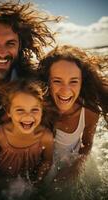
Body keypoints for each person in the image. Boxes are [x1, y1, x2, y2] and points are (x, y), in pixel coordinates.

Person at [0, 0, 58, 155]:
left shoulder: (33, 80)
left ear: (19, 46)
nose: (2, 51)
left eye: (10, 43)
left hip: (14, 132)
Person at [39, 44, 108, 181]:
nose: (65, 91)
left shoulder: (89, 111)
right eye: (57, 81)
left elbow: (87, 144)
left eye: (73, 81)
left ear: (82, 83)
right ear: (47, 82)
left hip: (68, 161)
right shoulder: (36, 105)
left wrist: (76, 167)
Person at [0, 78, 53, 185]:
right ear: (8, 112)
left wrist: (37, 182)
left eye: (34, 110)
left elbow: (47, 160)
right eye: (20, 110)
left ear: (42, 112)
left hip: (26, 186)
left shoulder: (46, 137)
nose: (28, 115)